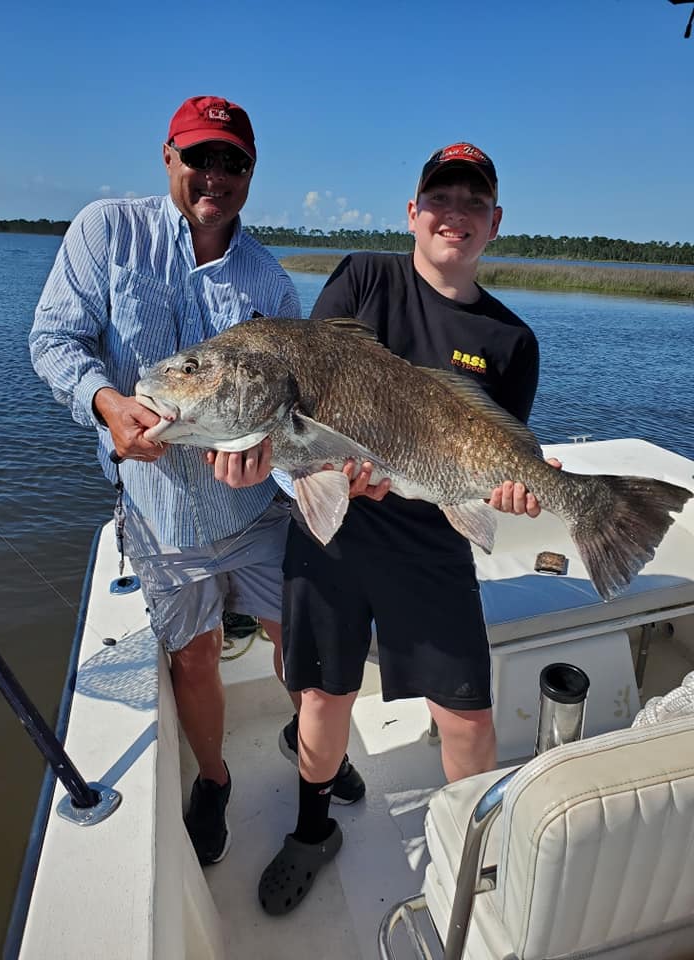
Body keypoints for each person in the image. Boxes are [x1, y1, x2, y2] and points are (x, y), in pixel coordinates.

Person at [29, 94, 364, 868]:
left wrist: (274, 454)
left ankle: (314, 746)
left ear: (250, 171)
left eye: (233, 161)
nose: (215, 174)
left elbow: (295, 407)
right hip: (161, 518)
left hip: (255, 511)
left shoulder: (270, 281)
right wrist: (106, 403)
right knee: (197, 657)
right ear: (168, 157)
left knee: (296, 639)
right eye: (199, 156)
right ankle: (213, 778)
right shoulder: (106, 231)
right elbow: (53, 340)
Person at [257, 142, 560, 915]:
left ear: (494, 222)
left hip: (431, 542)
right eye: (440, 199)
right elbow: (311, 378)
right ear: (413, 213)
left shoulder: (511, 341)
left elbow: (500, 454)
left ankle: (475, 855)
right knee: (323, 697)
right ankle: (312, 828)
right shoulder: (364, 277)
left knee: (467, 714)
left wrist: (516, 489)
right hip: (338, 533)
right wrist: (327, 465)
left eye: (471, 202)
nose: (453, 214)